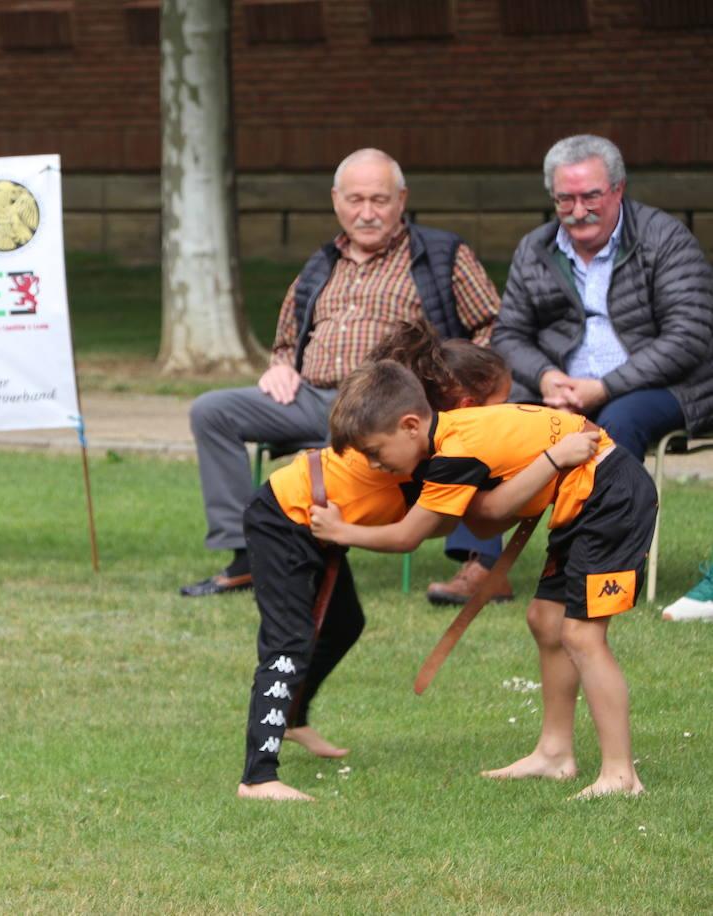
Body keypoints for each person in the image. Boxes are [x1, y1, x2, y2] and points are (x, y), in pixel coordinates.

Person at [238, 323, 596, 801]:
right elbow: (453, 524)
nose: (504, 416)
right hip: (286, 520)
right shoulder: (422, 450)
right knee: (290, 640)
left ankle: (293, 718)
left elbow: (463, 521)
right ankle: (258, 778)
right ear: (466, 405)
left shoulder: (433, 445)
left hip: (320, 525)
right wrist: (549, 461)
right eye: (499, 405)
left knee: (345, 623)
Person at [312, 360, 655, 798]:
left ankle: (621, 776)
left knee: (582, 635)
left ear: (411, 425)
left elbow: (412, 535)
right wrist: (550, 463)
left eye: (377, 452)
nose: (377, 465)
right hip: (583, 499)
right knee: (545, 619)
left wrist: (342, 532)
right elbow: (482, 523)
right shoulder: (447, 445)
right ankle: (554, 753)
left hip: (610, 494)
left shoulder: (455, 452)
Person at [182, 148, 503, 603]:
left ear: (402, 199)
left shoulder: (442, 255)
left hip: (393, 411)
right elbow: (287, 338)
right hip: (313, 400)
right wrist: (280, 364)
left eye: (379, 200)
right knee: (212, 410)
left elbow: (492, 325)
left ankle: (479, 566)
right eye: (356, 200)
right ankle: (247, 557)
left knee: (476, 433)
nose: (367, 213)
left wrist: (453, 381)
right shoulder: (321, 264)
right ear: (336, 200)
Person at [492, 133, 713, 464]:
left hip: (662, 388)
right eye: (565, 199)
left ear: (618, 189)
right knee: (492, 431)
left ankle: (607, 517)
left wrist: (603, 388)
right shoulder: (535, 248)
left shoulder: (665, 239)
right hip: (559, 390)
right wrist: (547, 378)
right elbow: (508, 334)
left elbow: (688, 336)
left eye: (591, 197)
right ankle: (467, 516)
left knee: (617, 423)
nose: (579, 212)